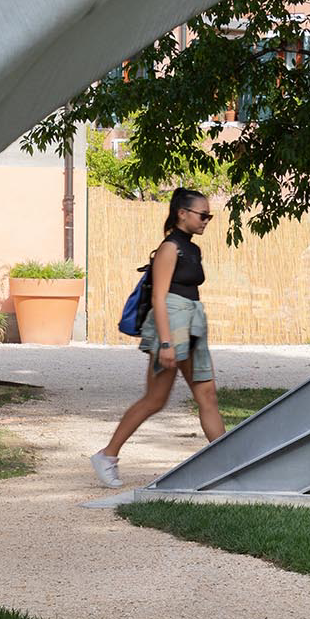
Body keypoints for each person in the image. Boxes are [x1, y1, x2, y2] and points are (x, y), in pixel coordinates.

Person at [90, 187, 225, 486]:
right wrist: (165, 342)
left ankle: (229, 465)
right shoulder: (170, 248)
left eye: (209, 216)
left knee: (207, 396)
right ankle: (107, 455)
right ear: (182, 214)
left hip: (192, 323)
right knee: (155, 399)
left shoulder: (193, 249)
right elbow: (159, 298)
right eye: (203, 215)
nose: (206, 220)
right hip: (172, 327)